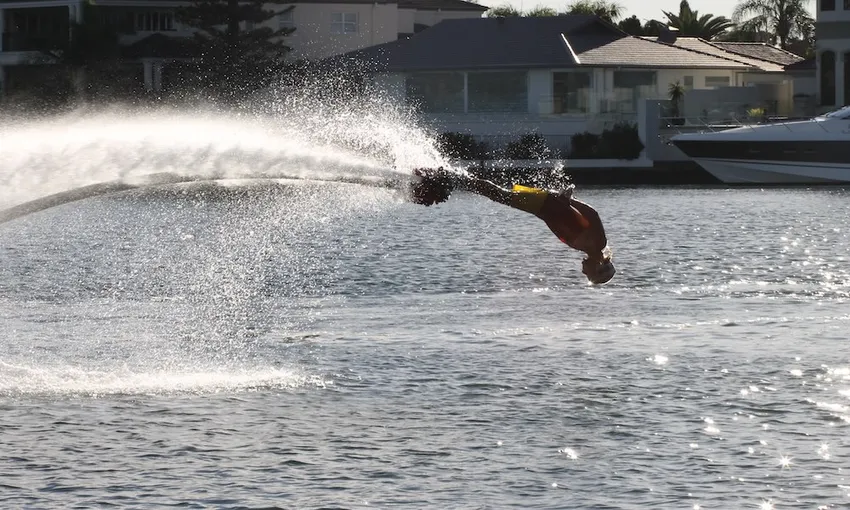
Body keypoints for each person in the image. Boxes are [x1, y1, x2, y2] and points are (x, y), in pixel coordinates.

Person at [409, 168, 615, 285]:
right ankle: (451, 179)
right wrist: (570, 201)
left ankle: (454, 180)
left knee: (499, 195)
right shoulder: (598, 243)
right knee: (499, 194)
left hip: (543, 208)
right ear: (597, 268)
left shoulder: (587, 247)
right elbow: (593, 215)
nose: (582, 272)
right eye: (588, 274)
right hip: (547, 204)